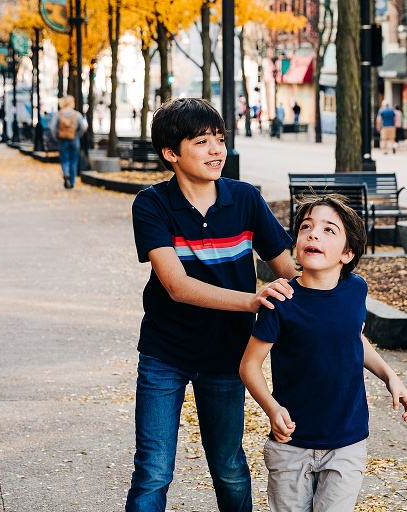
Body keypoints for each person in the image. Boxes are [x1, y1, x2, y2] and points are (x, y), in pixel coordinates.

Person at [126, 98, 299, 511]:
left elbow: (289, 271)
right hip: (165, 353)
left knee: (229, 467)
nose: (216, 150)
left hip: (228, 354)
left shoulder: (245, 199)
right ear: (171, 153)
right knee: (152, 471)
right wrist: (255, 301)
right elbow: (178, 286)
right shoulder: (151, 205)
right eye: (202, 142)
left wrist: (330, 298)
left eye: (219, 139)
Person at [240, 193, 407, 512]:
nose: (313, 233)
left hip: (347, 442)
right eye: (306, 227)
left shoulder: (356, 290)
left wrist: (390, 377)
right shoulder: (280, 300)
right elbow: (249, 366)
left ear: (347, 253)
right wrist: (272, 408)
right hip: (290, 445)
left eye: (328, 229)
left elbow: (352, 339)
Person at [50, 95, 88, 189]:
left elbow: (52, 127)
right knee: (73, 160)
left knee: (64, 159)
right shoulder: (77, 115)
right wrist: (77, 135)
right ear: (71, 103)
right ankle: (72, 182)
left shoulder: (59, 114)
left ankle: (66, 173)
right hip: (74, 139)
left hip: (62, 140)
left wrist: (57, 137)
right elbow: (83, 127)